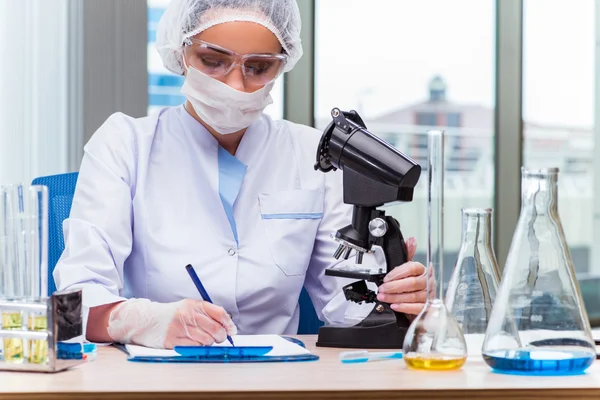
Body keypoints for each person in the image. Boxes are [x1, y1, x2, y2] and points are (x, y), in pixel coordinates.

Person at [53, 0, 431, 349]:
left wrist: (396, 299)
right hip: (158, 374)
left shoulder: (312, 155)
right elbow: (71, 304)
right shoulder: (125, 144)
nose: (235, 85)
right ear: (180, 52)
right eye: (212, 60)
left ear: (282, 64)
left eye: (257, 67)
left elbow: (345, 305)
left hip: (280, 378)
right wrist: (144, 321)